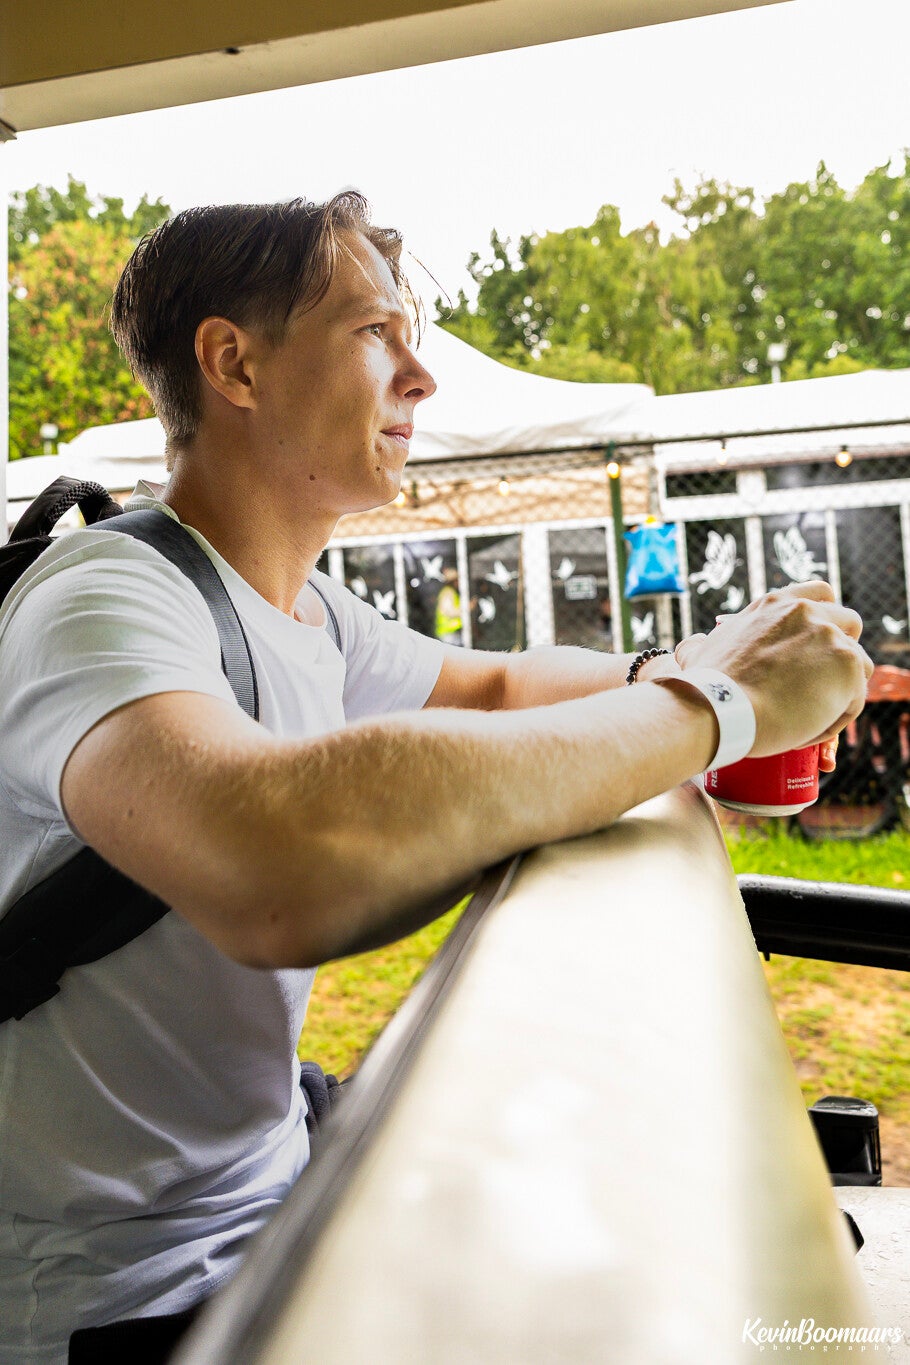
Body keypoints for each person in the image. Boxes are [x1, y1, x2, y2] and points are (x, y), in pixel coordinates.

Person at [0, 192, 871, 1363]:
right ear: (234, 364)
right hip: (116, 1301)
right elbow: (274, 867)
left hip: (261, 1191)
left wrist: (701, 663)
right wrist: (722, 709)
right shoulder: (106, 596)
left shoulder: (296, 603)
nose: (421, 377)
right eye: (375, 333)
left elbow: (497, 688)